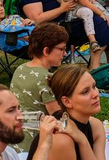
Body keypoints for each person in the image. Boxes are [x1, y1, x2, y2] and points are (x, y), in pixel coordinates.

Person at [26, 64, 107, 160]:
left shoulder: (95, 126)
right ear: (67, 102)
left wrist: (82, 140)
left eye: (94, 86)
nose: (95, 94)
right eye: (85, 92)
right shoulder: (61, 139)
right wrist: (82, 140)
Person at [9, 23, 68, 151]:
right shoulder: (46, 78)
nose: (65, 53)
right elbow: (57, 116)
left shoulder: (20, 69)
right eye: (62, 49)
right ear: (46, 51)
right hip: (34, 141)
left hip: (14, 134)